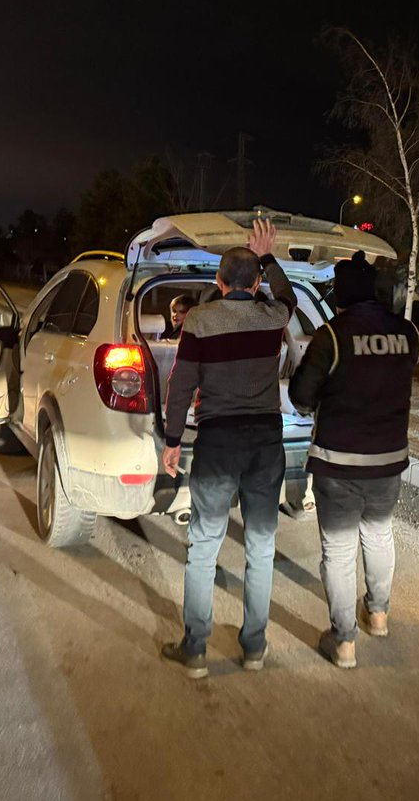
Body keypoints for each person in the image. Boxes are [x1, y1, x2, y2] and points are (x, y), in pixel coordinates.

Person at [159, 219, 295, 678]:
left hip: (216, 444)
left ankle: (195, 648)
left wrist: (173, 440)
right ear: (256, 283)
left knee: (203, 547)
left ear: (218, 282)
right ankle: (254, 648)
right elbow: (289, 298)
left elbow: (181, 386)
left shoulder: (198, 320)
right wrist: (269, 256)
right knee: (261, 547)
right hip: (264, 444)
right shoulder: (272, 316)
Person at [289, 251, 419, 669]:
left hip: (339, 462)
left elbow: (301, 397)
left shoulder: (332, 335)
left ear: (341, 296)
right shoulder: (408, 333)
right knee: (380, 534)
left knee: (340, 550)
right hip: (389, 460)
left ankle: (344, 641)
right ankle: (378, 614)